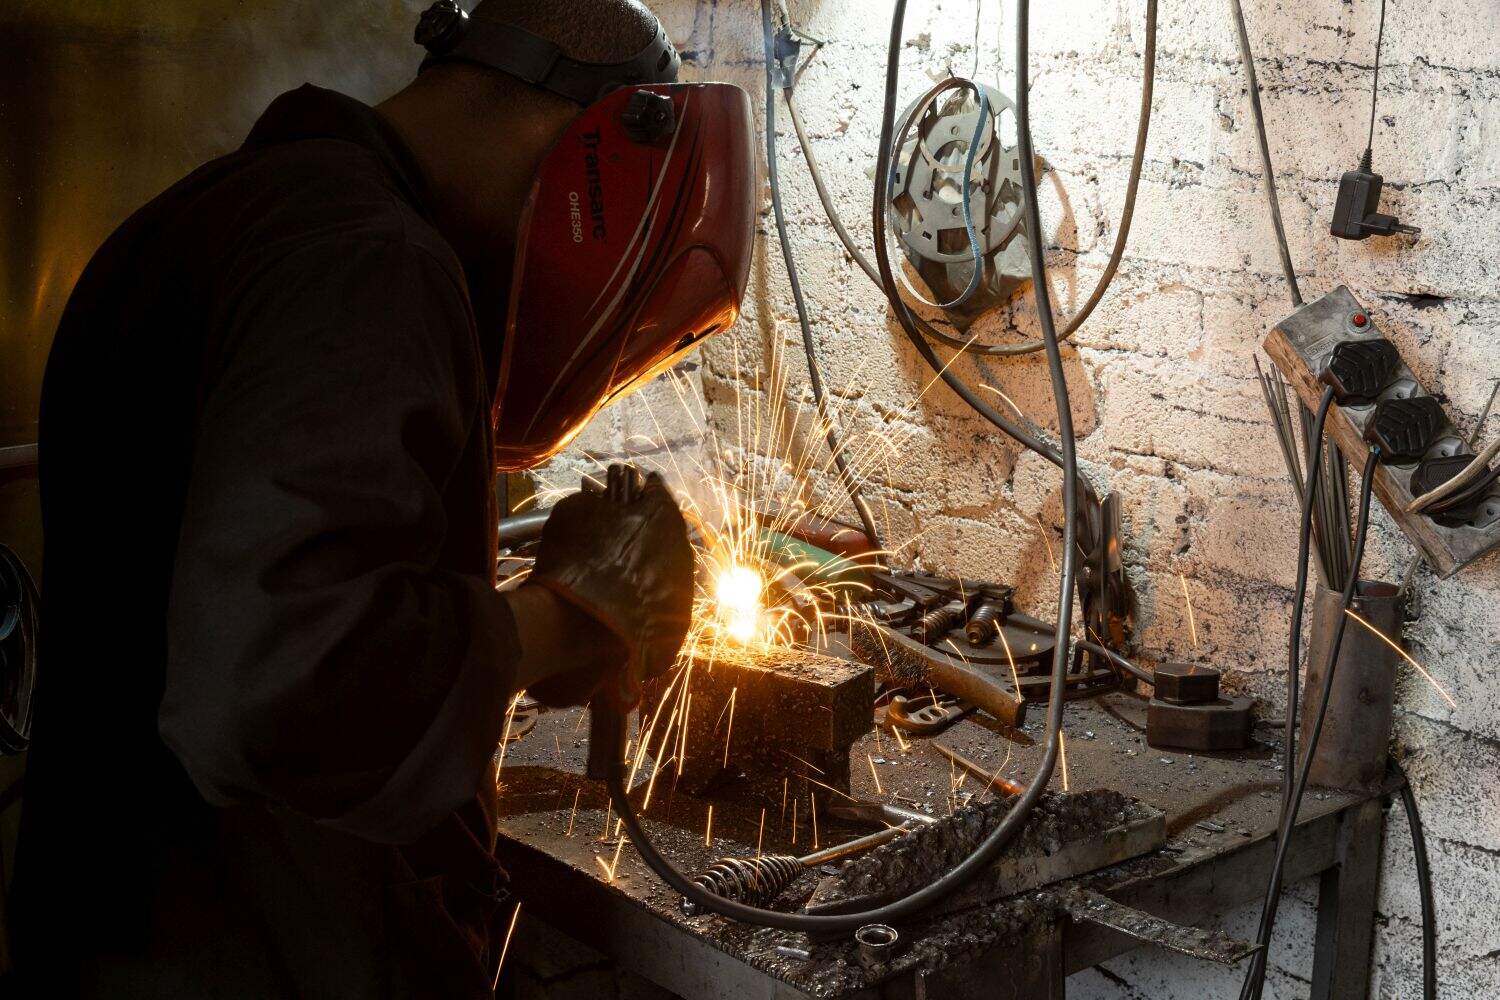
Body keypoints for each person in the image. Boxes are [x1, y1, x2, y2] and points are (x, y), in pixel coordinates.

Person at [9, 1, 751, 995]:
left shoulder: (214, 214)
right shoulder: (372, 259)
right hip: (255, 950)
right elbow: (274, 677)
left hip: (108, 920)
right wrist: (559, 618)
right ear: (596, 154)